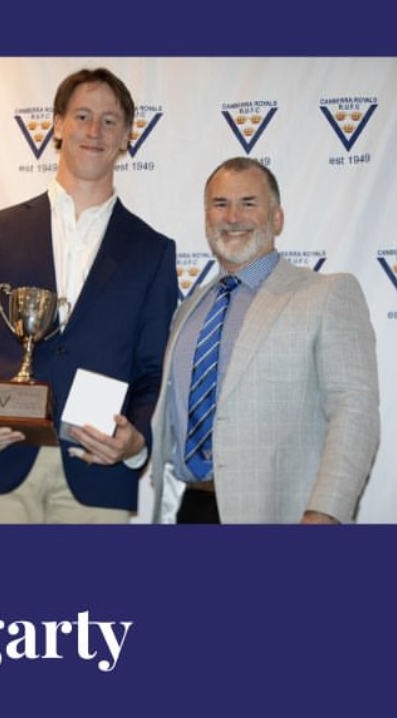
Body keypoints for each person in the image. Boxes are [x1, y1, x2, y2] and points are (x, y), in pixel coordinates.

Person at [0, 67, 177, 523]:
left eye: (110, 121)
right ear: (57, 125)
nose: (94, 130)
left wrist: (136, 440)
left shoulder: (153, 251)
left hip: (97, 472)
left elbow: (153, 371)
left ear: (127, 136)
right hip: (0, 458)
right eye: (82, 116)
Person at [151, 157, 380, 524]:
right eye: (220, 204)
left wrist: (325, 513)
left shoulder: (327, 294)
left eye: (248, 203)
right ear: (207, 218)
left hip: (285, 514)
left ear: (277, 218)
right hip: (190, 508)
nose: (232, 217)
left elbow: (355, 410)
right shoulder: (188, 311)